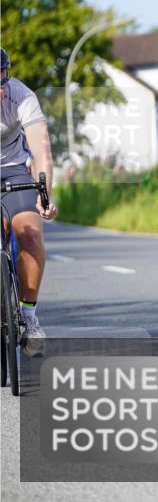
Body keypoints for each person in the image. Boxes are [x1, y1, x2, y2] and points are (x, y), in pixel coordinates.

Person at [0, 47, 59, 356]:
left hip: (13, 169)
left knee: (31, 233)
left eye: (1, 80)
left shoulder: (22, 96)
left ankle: (28, 317)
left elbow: (41, 151)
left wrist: (43, 194)